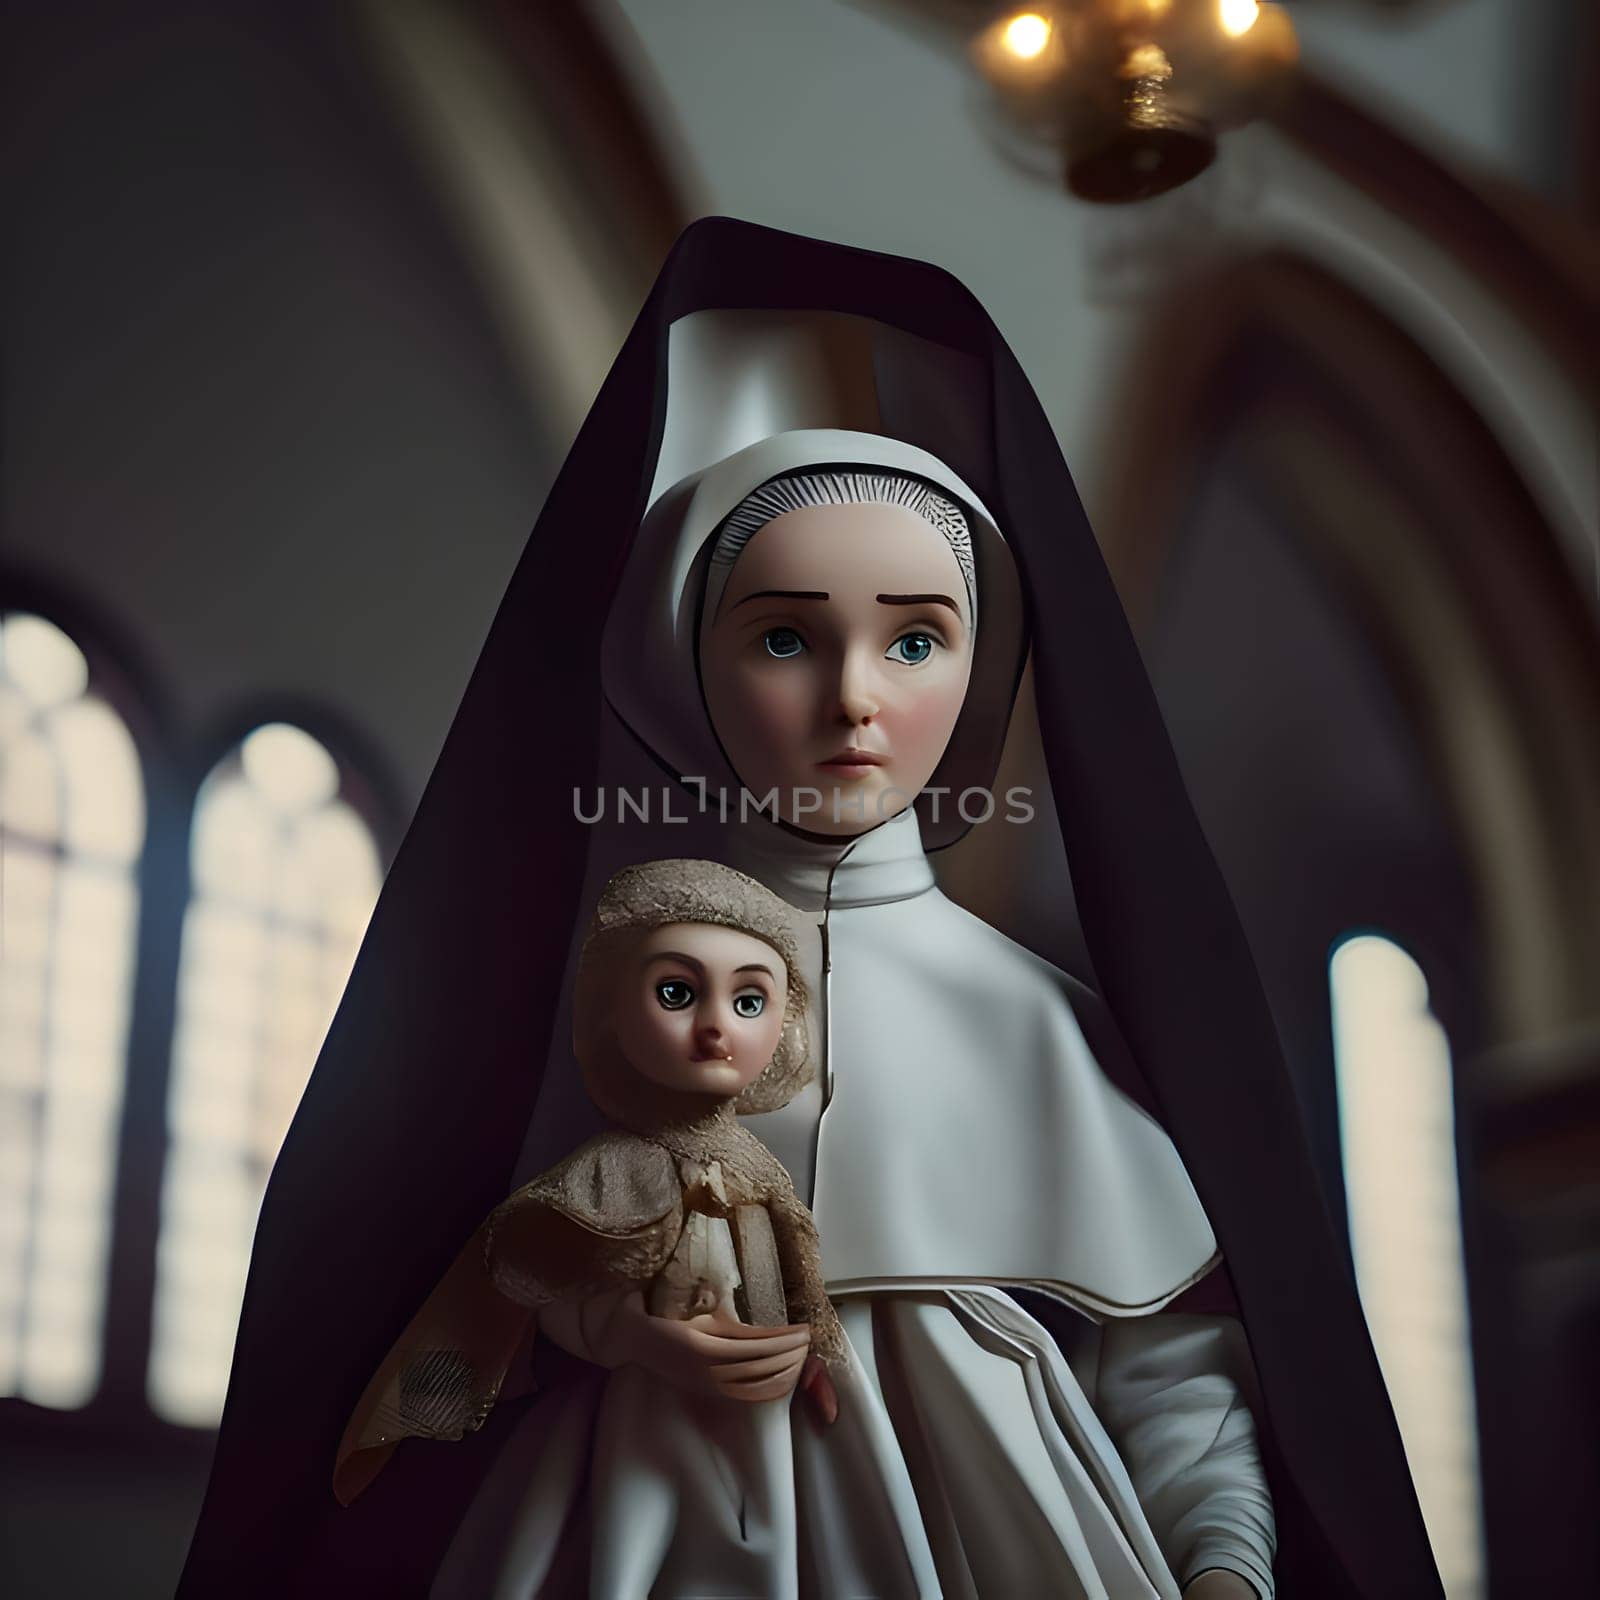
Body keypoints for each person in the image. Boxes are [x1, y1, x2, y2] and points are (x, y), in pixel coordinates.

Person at [178, 217, 1442, 1598]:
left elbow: (1174, 1370)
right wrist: (617, 1331)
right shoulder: (601, 1009)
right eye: (786, 635)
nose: (853, 697)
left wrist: (1220, 1568)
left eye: (914, 639)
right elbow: (462, 1327)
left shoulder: (1036, 1025)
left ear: (981, 671)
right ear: (680, 663)